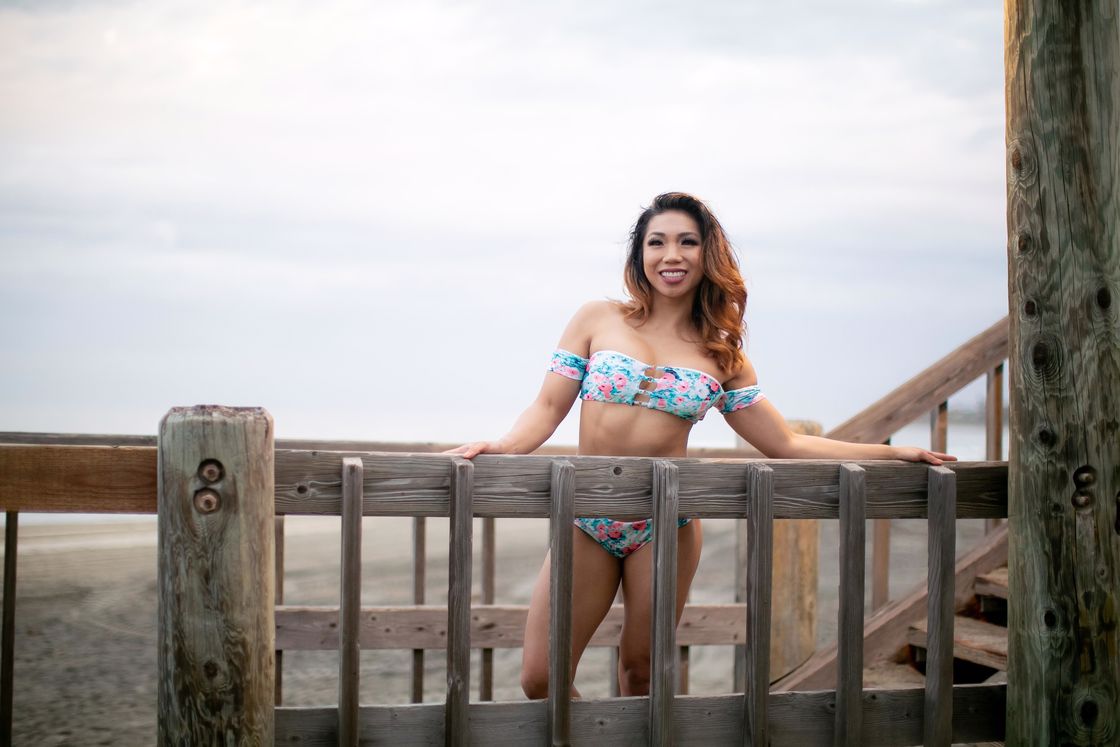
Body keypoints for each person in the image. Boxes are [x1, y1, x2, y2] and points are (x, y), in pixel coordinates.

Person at [447, 192, 953, 699]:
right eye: (657, 242)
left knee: (641, 674)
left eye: (687, 242)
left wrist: (893, 453)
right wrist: (503, 446)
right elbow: (547, 408)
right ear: (639, 255)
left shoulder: (722, 354)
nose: (672, 255)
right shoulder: (596, 318)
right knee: (542, 677)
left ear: (705, 255)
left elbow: (785, 444)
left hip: (667, 524)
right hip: (587, 518)